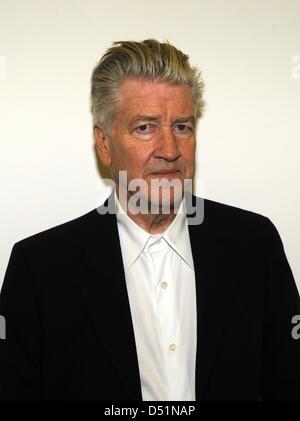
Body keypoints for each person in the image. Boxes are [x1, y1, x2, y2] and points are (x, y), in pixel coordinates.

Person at [0, 39, 300, 401]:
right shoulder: (40, 269)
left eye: (183, 127)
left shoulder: (254, 246)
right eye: (145, 127)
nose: (170, 150)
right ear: (104, 143)